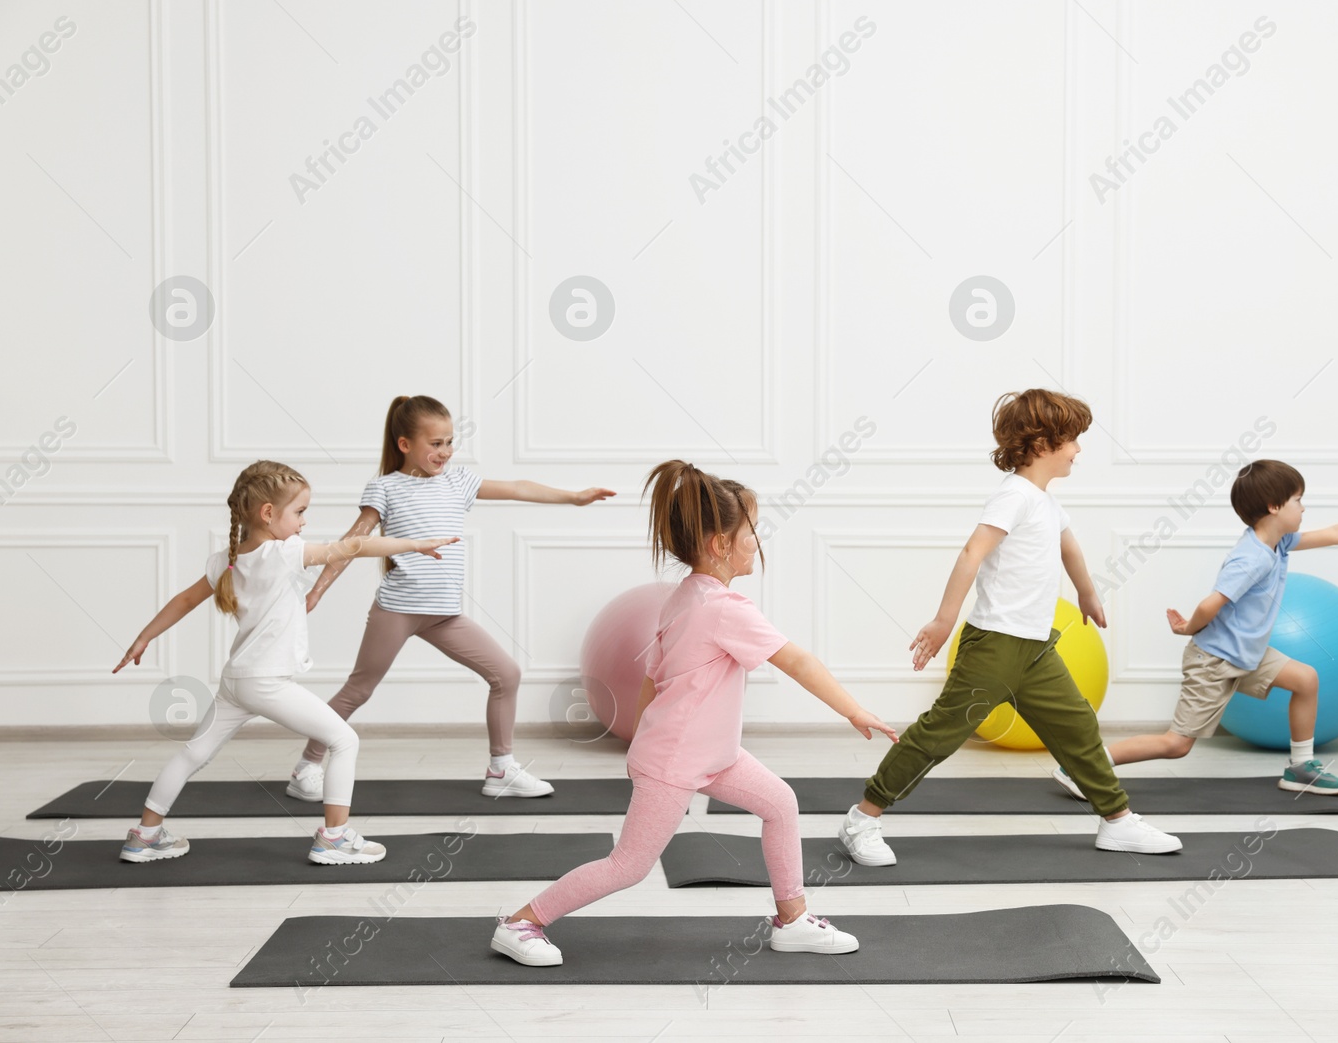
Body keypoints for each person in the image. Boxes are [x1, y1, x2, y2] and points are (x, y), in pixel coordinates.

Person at [490, 461, 898, 966]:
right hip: (677, 759)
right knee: (628, 865)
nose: (757, 538)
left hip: (712, 754)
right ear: (719, 545)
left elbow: (650, 679)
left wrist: (639, 742)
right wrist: (855, 710)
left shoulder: (683, 596)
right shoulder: (726, 608)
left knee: (780, 804)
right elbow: (797, 660)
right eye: (750, 529)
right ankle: (521, 923)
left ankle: (792, 920)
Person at [839, 389, 1183, 869]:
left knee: (1078, 725)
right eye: (1073, 441)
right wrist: (944, 620)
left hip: (1036, 648)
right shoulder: (1014, 495)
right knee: (940, 735)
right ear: (1042, 443)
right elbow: (971, 553)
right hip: (995, 646)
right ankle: (863, 817)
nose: (1078, 451)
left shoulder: (1045, 502)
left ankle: (1118, 821)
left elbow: (1070, 549)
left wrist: (1087, 591)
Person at [112, 460, 458, 864]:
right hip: (266, 683)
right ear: (267, 514)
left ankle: (145, 836)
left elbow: (185, 600)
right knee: (345, 740)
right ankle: (334, 837)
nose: (303, 522)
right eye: (299, 512)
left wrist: (144, 637)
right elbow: (355, 546)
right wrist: (413, 545)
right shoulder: (284, 553)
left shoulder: (225, 559)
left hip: (236, 682)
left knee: (192, 753)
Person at [290, 394, 614, 801]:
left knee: (506, 674)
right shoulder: (386, 487)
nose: (444, 452)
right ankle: (306, 767)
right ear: (406, 445)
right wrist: (317, 589)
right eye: (435, 443)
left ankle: (501, 770)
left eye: (449, 442)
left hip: (444, 615)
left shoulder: (458, 482)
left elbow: (517, 488)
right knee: (359, 689)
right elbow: (352, 542)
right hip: (398, 610)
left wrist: (573, 496)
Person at [1061, 458, 1338, 797]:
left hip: (1248, 654)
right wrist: (1187, 627)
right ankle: (1081, 767)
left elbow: (1336, 533)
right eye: (1297, 499)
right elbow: (1212, 603)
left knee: (1305, 678)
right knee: (1176, 744)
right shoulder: (1251, 558)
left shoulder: (1280, 542)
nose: (1304, 506)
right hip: (1215, 661)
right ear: (1275, 507)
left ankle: (1300, 769)